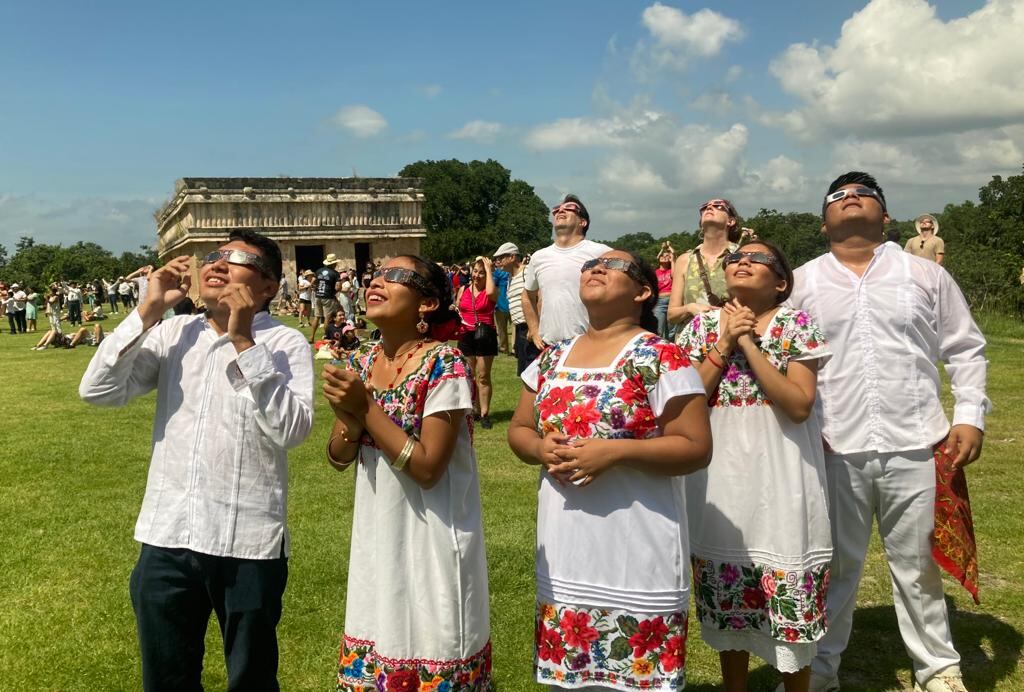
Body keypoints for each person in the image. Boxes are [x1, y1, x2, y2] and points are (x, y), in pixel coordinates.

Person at [79, 229, 314, 691]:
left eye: (237, 258)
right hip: (168, 534)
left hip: (247, 539)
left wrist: (244, 339)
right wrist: (148, 310)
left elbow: (290, 430)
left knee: (251, 678)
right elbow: (98, 390)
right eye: (213, 255)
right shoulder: (174, 333)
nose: (218, 264)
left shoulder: (286, 344)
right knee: (166, 678)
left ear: (269, 286)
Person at [789, 172, 988, 692]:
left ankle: (939, 670)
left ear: (886, 215)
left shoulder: (924, 275)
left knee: (919, 566)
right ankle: (819, 673)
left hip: (917, 439)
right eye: (837, 196)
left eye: (863, 194)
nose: (850, 198)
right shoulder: (803, 281)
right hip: (832, 442)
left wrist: (970, 413)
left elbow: (965, 347)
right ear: (823, 219)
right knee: (831, 567)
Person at [508, 249, 713, 691]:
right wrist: (541, 447)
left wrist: (615, 453)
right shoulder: (550, 358)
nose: (596, 269)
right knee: (575, 679)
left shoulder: (661, 356)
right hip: (568, 544)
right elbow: (520, 430)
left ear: (642, 292)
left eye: (613, 266)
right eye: (589, 265)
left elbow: (695, 447)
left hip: (637, 542)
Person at [323, 255, 491, 691]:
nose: (377, 281)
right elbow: (339, 455)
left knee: (434, 639)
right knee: (381, 630)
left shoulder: (445, 364)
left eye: (395, 276)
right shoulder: (361, 361)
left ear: (427, 303)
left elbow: (429, 467)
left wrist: (365, 408)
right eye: (376, 274)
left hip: (433, 533)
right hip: (379, 533)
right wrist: (350, 420)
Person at [676, 239, 833, 692]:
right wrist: (725, 340)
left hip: (781, 474)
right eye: (735, 258)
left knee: (790, 596)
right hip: (719, 478)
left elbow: (798, 405)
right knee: (730, 594)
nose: (742, 262)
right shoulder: (701, 328)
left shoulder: (796, 325)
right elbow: (688, 401)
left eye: (756, 259)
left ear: (781, 282)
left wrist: (748, 340)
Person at [523, 194, 612, 351]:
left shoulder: (602, 253)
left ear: (582, 222)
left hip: (591, 345)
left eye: (570, 208)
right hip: (549, 347)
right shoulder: (539, 257)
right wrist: (535, 331)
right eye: (557, 209)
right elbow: (527, 296)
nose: (560, 210)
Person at [668, 198, 742, 336]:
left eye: (718, 206)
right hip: (690, 343)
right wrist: (690, 308)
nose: (709, 207)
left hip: (731, 341)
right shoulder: (684, 260)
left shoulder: (742, 257)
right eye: (705, 207)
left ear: (730, 221)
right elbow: (671, 315)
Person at [456, 257, 499, 429]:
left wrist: (488, 269)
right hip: (466, 334)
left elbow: (489, 294)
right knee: (468, 375)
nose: (477, 275)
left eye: (481, 272)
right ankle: (472, 409)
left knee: (483, 376)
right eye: (475, 271)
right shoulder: (464, 289)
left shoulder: (492, 291)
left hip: (485, 334)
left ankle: (485, 413)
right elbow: (458, 306)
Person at [311, 253, 342, 342]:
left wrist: (315, 289)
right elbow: (338, 287)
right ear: (333, 264)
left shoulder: (319, 271)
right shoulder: (335, 273)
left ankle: (312, 337)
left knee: (317, 317)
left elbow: (312, 282)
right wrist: (335, 292)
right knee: (327, 318)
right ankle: (327, 337)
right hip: (328, 297)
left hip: (318, 296)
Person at [490, 251, 512, 355]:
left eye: (500, 260)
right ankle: (514, 349)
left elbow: (492, 285)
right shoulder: (511, 272)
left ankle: (504, 347)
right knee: (515, 327)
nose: (499, 262)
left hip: (501, 303)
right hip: (511, 303)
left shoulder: (497, 273)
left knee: (502, 328)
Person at [654, 242, 675, 340]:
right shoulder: (655, 272)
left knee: (671, 331)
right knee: (659, 330)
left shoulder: (671, 271)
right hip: (660, 302)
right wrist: (662, 249)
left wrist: (672, 258)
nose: (665, 257)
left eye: (667, 256)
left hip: (672, 301)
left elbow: (674, 275)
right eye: (663, 256)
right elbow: (659, 256)